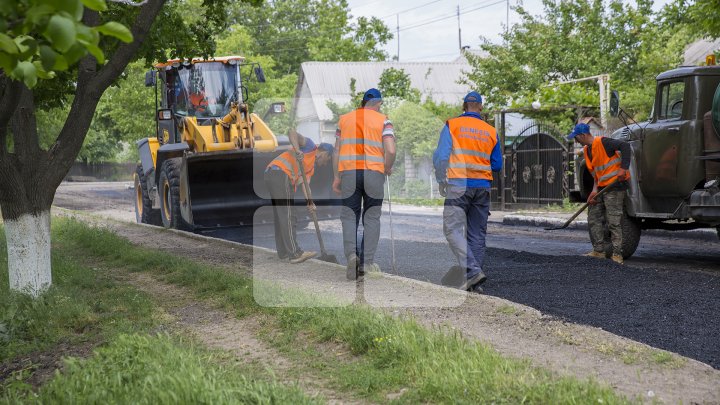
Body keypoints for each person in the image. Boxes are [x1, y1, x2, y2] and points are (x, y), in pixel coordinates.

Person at [433, 91, 502, 294]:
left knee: (452, 229)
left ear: (464, 106)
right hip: (482, 187)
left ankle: (472, 271)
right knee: (476, 234)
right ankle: (475, 282)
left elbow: (441, 156)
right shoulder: (491, 131)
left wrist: (440, 178)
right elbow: (497, 165)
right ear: (480, 107)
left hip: (458, 185)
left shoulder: (452, 125)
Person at [333, 88, 396, 280]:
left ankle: (352, 255)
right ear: (377, 103)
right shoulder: (383, 120)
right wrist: (387, 167)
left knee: (349, 216)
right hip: (373, 172)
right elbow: (391, 150)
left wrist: (336, 177)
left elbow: (336, 151)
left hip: (349, 172)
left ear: (362, 102)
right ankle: (367, 262)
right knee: (371, 217)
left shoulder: (344, 120)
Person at [265, 130, 334, 264]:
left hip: (272, 174)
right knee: (289, 214)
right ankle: (295, 253)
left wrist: (310, 202)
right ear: (325, 153)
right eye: (328, 160)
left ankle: (284, 251)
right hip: (280, 173)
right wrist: (297, 150)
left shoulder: (310, 168)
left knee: (282, 215)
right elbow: (291, 132)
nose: (325, 164)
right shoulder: (310, 146)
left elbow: (305, 185)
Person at [567, 123, 631, 264]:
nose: (576, 141)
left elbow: (626, 147)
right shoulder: (587, 150)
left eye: (576, 138)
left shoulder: (603, 142)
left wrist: (623, 168)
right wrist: (594, 191)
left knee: (613, 221)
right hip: (601, 188)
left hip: (615, 186)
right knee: (593, 216)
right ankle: (598, 251)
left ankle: (617, 255)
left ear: (583, 135)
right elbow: (597, 173)